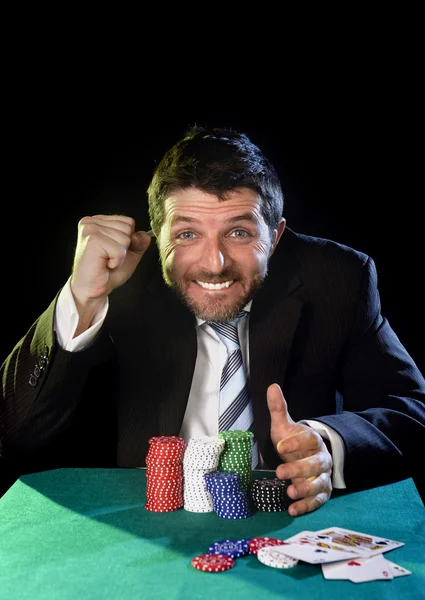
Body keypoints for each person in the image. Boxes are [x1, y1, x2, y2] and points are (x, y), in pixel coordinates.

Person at [1, 126, 424, 515]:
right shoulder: (119, 281)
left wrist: (329, 447)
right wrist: (83, 295)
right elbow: (19, 435)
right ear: (157, 234)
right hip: (142, 520)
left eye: (238, 232)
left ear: (274, 237)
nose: (214, 264)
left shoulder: (338, 277)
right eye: (187, 234)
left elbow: (411, 409)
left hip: (288, 517)